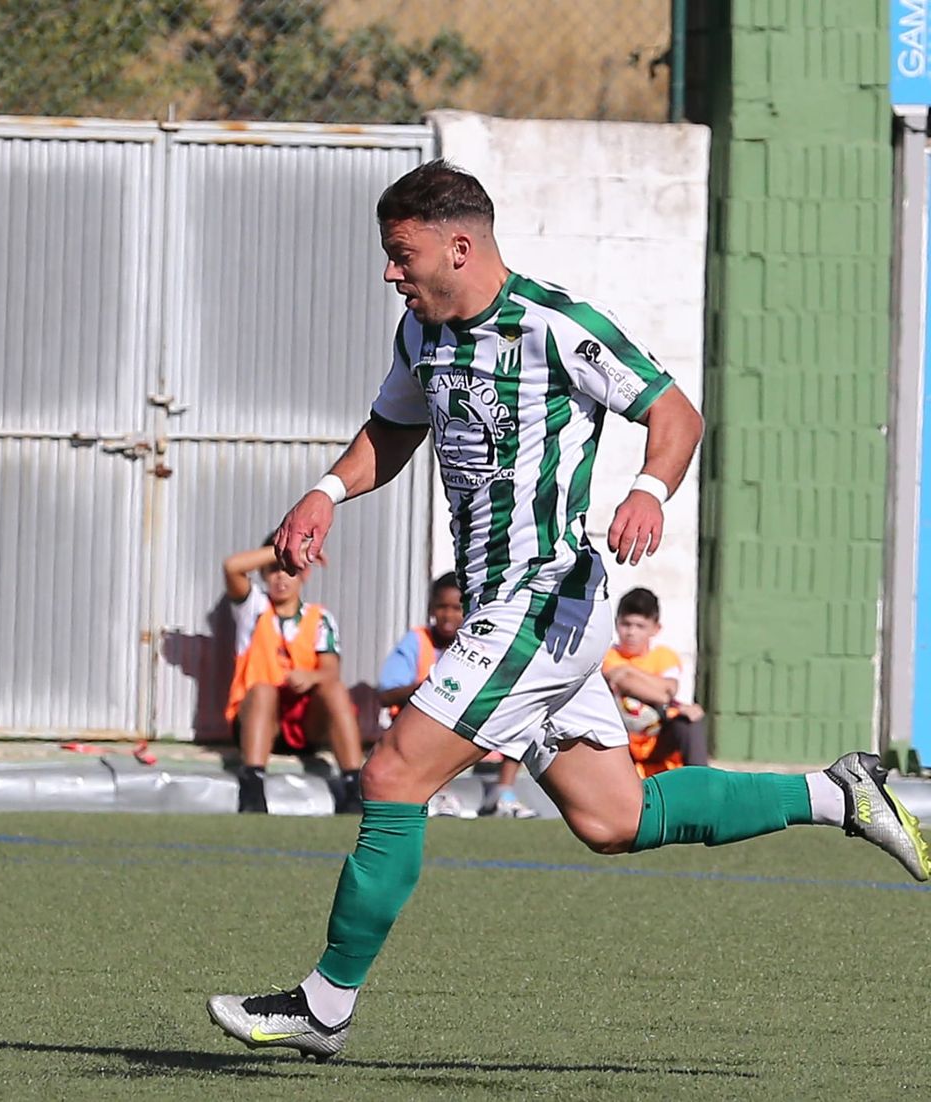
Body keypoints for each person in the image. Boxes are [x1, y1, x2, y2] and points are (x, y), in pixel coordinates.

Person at [206, 160, 929, 1061]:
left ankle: (325, 1004)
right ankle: (837, 794)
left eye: (403, 254)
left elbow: (675, 414)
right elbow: (393, 430)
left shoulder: (557, 326)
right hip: (510, 607)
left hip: (543, 599)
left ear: (458, 246)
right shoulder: (420, 334)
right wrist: (325, 491)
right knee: (612, 819)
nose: (391, 273)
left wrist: (651, 490)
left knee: (393, 778)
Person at [378, 572, 535, 818]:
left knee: (522, 712)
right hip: (424, 725)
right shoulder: (417, 641)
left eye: (457, 608)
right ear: (431, 608)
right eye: (442, 607)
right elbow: (386, 695)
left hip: (476, 726)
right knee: (439, 715)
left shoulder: (484, 642)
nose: (449, 615)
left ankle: (503, 793)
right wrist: (430, 686)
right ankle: (441, 794)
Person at [223, 541, 364, 814]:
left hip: (302, 722)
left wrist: (311, 678)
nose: (280, 578)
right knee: (263, 690)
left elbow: (330, 671)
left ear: (304, 574)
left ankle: (353, 784)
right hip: (258, 719)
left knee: (333, 689)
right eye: (274, 569)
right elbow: (232, 567)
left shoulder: (319, 618)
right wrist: (287, 549)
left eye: (290, 569)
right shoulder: (254, 608)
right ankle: (253, 783)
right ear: (263, 574)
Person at [602, 586, 710, 776]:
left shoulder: (665, 656)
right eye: (626, 624)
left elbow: (670, 688)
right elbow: (636, 685)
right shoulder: (608, 656)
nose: (631, 632)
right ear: (616, 623)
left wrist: (627, 670)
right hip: (622, 741)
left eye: (640, 626)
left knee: (690, 723)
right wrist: (661, 693)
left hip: (657, 739)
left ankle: (702, 784)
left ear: (655, 628)